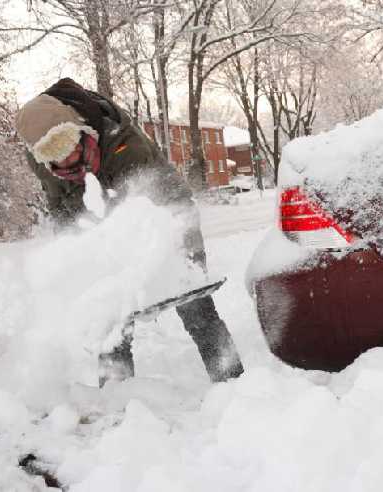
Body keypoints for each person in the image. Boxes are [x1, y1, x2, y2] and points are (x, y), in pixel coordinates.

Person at [14, 78, 244, 385]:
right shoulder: (46, 163)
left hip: (166, 214)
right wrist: (77, 260)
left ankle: (231, 379)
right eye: (52, 153)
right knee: (108, 312)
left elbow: (153, 209)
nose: (65, 157)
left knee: (193, 301)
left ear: (81, 129)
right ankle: (117, 391)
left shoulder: (125, 145)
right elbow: (63, 210)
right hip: (110, 228)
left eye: (67, 143)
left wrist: (177, 263)